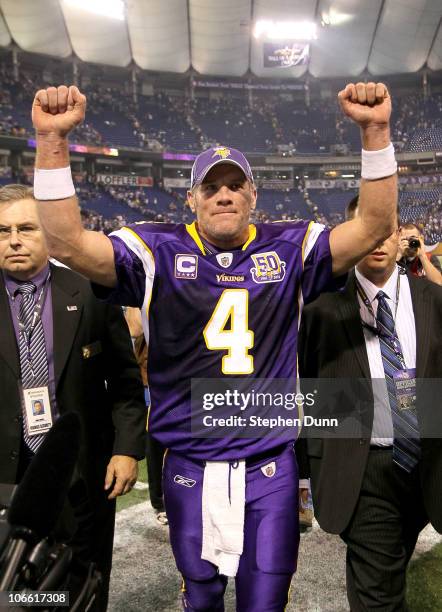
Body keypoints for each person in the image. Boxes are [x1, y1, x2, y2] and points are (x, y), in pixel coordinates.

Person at [32, 82, 398, 611]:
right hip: (189, 462)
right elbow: (66, 243)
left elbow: (373, 226)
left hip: (268, 464)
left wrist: (375, 131)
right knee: (200, 597)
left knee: (265, 597)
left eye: (234, 185)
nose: (223, 194)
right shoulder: (156, 249)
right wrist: (51, 143)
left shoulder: (290, 246)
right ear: (191, 198)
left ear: (254, 195)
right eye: (210, 187)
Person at [0, 185, 146, 611]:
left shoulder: (89, 293)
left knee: (82, 583)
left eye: (26, 228)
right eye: (3, 230)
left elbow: (124, 380)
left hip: (82, 471)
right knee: (12, 591)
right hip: (6, 475)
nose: (13, 239)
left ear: (47, 233)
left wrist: (125, 449)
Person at [298, 201, 442, 611]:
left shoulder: (433, 298)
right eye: (368, 228)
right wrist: (303, 474)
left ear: (402, 237)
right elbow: (308, 392)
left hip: (426, 465)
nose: (379, 239)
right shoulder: (321, 308)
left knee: (390, 571)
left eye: (388, 229)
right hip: (364, 469)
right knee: (377, 593)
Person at [125, 306, 168, 525]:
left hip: (188, 377)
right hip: (153, 380)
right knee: (157, 442)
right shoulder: (147, 283)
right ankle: (161, 502)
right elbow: (134, 328)